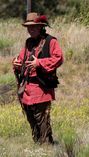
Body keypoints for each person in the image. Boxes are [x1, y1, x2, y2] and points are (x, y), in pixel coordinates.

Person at [12, 12, 63, 144]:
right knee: (31, 119)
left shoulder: (51, 41)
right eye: (29, 27)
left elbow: (58, 58)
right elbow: (22, 59)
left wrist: (39, 63)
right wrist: (16, 64)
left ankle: (47, 146)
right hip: (27, 89)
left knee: (42, 119)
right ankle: (38, 145)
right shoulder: (28, 42)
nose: (31, 29)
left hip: (42, 88)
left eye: (34, 27)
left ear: (40, 26)